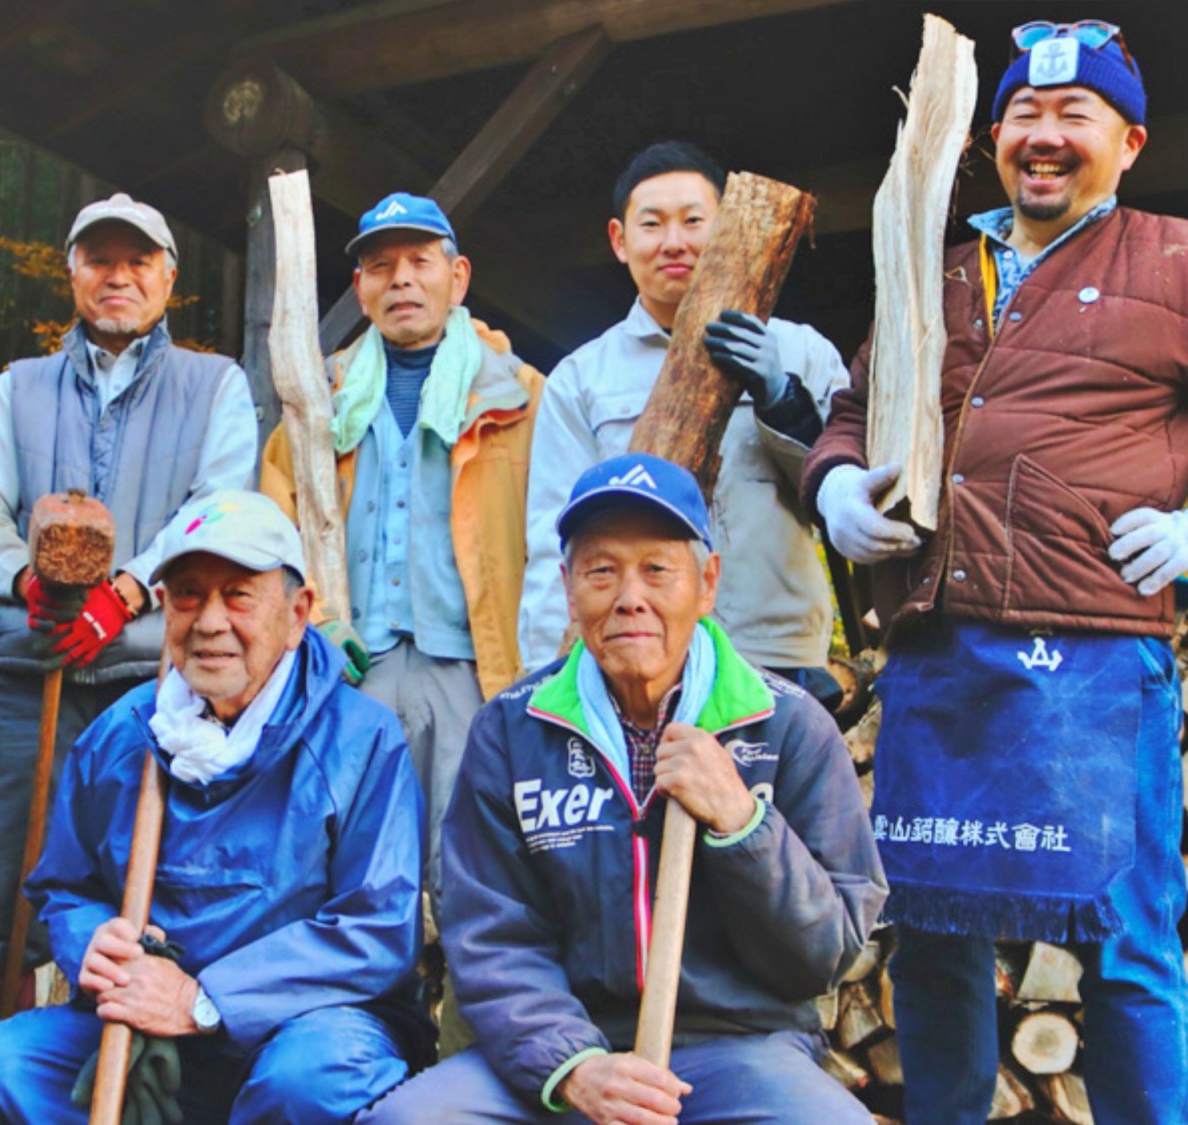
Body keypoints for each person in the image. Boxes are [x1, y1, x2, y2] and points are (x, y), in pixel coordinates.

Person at [801, 21, 1188, 1122]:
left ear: (1128, 141)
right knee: (935, 929)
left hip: (1089, 650)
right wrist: (834, 486)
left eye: (1073, 115)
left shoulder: (1186, 260)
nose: (1044, 136)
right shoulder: (934, 270)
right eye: (1023, 117)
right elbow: (853, 410)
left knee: (1124, 942)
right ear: (991, 135)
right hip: (936, 648)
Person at [361, 453, 884, 1125]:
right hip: (557, 1050)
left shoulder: (788, 727)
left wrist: (741, 822)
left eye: (657, 569)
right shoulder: (513, 731)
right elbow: (491, 935)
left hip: (737, 1051)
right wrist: (575, 1066)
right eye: (602, 570)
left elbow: (824, 951)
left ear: (708, 582)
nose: (629, 595)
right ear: (569, 588)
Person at [0, 490, 427, 1124]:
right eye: (188, 595)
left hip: (301, 1027)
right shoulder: (122, 736)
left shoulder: (361, 738)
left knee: (312, 1081)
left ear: (297, 613)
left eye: (238, 595)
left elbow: (376, 929)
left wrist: (208, 1000)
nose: (209, 621)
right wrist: (93, 939)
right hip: (144, 1028)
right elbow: (64, 886)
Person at [0, 192, 260, 990]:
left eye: (137, 261)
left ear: (167, 276)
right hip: (30, 672)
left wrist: (125, 593)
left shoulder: (215, 387)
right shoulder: (17, 388)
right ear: (73, 272)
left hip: (157, 683)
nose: (118, 276)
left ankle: (119, 1054)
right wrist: (25, 577)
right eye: (100, 260)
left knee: (148, 882)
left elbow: (214, 507)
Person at [262, 191, 542, 877]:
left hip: (477, 668)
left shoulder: (523, 395)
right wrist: (318, 622)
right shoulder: (316, 397)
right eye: (381, 267)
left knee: (475, 865)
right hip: (355, 666)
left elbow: (555, 536)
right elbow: (272, 527)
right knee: (354, 858)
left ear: (459, 277)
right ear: (360, 290)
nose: (403, 280)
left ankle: (464, 987)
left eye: (421, 261)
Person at [517, 142, 850, 703]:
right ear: (620, 242)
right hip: (634, 662)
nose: (674, 242)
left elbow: (841, 504)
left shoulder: (801, 352)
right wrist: (545, 677)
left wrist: (780, 395)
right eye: (652, 224)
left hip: (775, 656)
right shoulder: (580, 379)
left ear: (728, 229)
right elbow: (555, 536)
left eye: (694, 221)